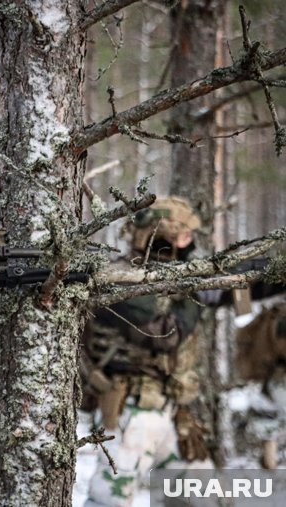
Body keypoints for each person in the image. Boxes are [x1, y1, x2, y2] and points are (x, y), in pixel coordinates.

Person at [81, 196, 212, 507]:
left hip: (171, 408)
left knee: (195, 497)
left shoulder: (178, 277)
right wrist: (194, 298)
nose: (189, 242)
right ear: (160, 236)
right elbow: (166, 335)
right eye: (182, 235)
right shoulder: (122, 280)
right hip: (132, 408)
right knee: (111, 498)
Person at [234, 301, 286, 469]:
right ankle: (270, 455)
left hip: (274, 380)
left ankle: (270, 454)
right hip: (278, 380)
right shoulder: (280, 319)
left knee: (271, 419)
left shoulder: (275, 313)